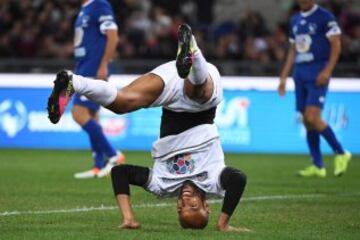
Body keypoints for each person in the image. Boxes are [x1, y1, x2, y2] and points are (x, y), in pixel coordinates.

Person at [47, 24, 249, 231]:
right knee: (197, 94)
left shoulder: (163, 185)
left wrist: (129, 218)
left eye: (180, 208)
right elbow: (238, 179)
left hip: (172, 92)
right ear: (207, 205)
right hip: (201, 89)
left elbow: (120, 172)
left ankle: (73, 82)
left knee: (122, 102)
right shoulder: (214, 182)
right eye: (194, 206)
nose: (184, 201)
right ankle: (193, 52)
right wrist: (223, 224)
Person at [278, 0, 351, 177]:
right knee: (306, 120)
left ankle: (341, 153)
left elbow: (336, 44)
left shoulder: (325, 17)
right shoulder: (294, 20)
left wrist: (328, 70)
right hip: (300, 73)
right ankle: (318, 166)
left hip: (317, 72)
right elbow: (292, 51)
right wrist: (283, 77)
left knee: (313, 116)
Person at [71, 0, 124, 179]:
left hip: (94, 70)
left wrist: (103, 65)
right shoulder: (84, 9)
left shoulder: (99, 4)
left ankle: (113, 155)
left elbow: (113, 35)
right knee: (92, 116)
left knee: (78, 114)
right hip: (83, 69)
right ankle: (98, 165)